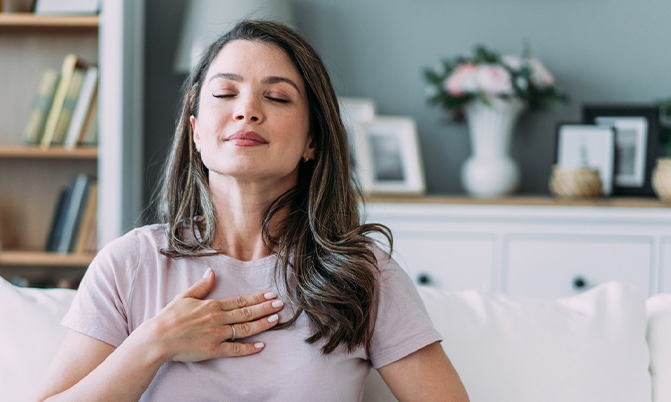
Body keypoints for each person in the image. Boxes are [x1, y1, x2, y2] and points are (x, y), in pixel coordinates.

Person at [35, 19, 468, 401]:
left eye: (277, 98)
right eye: (225, 92)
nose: (247, 111)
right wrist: (152, 344)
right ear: (197, 133)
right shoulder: (130, 264)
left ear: (312, 141)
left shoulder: (363, 274)